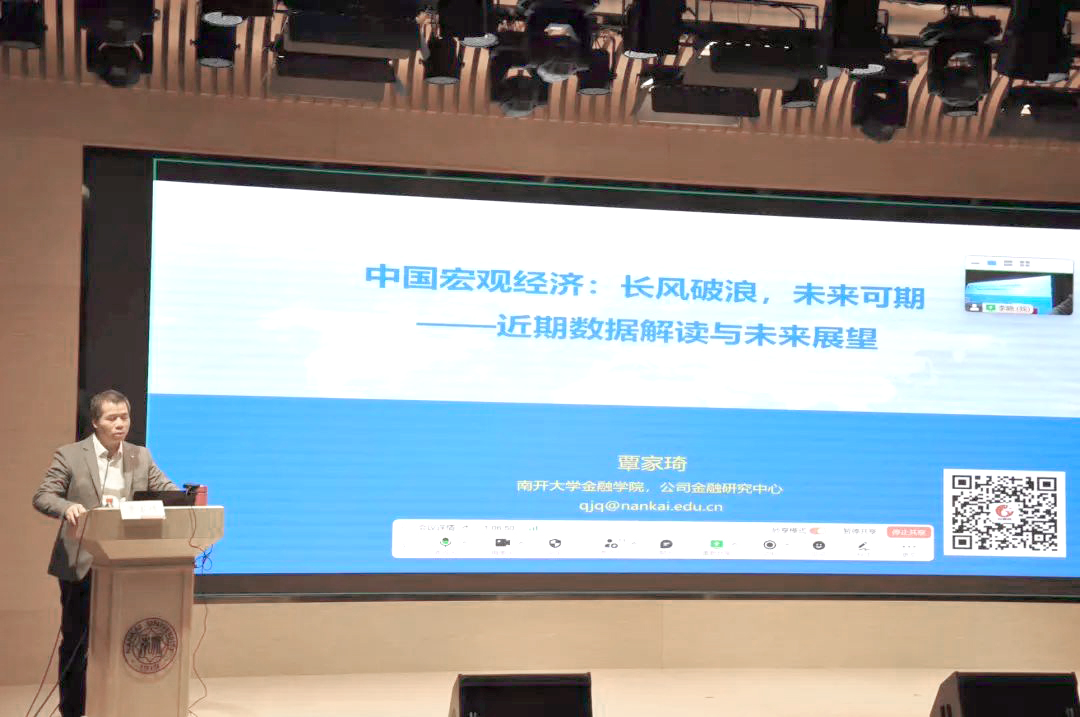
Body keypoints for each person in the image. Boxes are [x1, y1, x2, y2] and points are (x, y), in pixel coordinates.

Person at [32, 389, 178, 717]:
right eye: (112, 418)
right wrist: (67, 507)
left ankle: (120, 706)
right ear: (96, 422)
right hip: (82, 562)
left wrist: (188, 497)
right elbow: (43, 496)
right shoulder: (70, 455)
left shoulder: (140, 456)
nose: (120, 424)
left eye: (124, 417)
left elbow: (167, 491)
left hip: (126, 564)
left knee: (125, 639)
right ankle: (73, 711)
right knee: (77, 643)